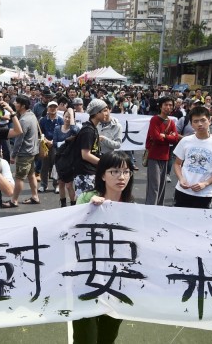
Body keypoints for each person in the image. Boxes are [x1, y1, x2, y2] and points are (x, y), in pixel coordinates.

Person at [73, 151, 135, 343]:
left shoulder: (132, 206)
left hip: (117, 281)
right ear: (102, 175)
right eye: (114, 171)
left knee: (108, 337)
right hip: (87, 279)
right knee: (86, 337)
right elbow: (71, 232)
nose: (121, 177)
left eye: (126, 172)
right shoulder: (86, 199)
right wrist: (88, 211)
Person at [172, 106, 212, 209]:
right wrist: (181, 179)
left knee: (201, 224)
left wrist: (205, 183)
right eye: (196, 121)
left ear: (209, 121)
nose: (200, 124)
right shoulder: (185, 141)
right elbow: (177, 163)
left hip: (204, 194)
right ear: (191, 124)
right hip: (182, 191)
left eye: (203, 120)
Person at [3, 96, 41, 207]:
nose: (14, 103)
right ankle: (35, 196)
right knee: (31, 175)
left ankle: (14, 200)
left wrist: (13, 155)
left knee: (19, 178)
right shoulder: (31, 115)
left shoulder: (24, 120)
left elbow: (19, 140)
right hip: (32, 151)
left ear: (23, 105)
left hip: (25, 153)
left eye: (16, 102)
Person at [145, 96, 180, 206]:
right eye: (166, 105)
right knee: (154, 185)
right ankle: (151, 208)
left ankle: (159, 208)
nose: (168, 107)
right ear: (160, 106)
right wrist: (169, 137)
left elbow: (175, 139)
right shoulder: (154, 119)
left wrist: (164, 136)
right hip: (154, 156)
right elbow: (155, 137)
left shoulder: (171, 122)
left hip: (165, 157)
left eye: (170, 105)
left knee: (161, 185)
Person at [72, 99, 108, 198]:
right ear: (96, 113)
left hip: (91, 172)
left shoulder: (92, 128)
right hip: (85, 173)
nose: (107, 113)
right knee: (84, 205)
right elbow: (85, 155)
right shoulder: (88, 130)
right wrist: (103, 163)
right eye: (104, 110)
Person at [54, 107, 80, 207]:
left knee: (69, 185)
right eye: (66, 117)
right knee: (60, 183)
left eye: (70, 117)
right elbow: (55, 143)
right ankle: (63, 204)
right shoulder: (57, 128)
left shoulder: (76, 128)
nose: (67, 119)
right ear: (63, 117)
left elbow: (74, 132)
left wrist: (71, 113)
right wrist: (66, 142)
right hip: (59, 159)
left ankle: (73, 205)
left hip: (70, 160)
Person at [38, 101, 63, 194]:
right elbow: (40, 133)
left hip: (56, 145)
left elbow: (62, 132)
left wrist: (53, 142)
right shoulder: (43, 120)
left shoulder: (60, 120)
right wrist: (46, 141)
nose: (53, 109)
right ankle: (43, 185)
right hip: (45, 145)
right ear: (47, 109)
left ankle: (56, 185)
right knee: (44, 165)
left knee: (55, 165)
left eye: (54, 107)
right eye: (51, 107)